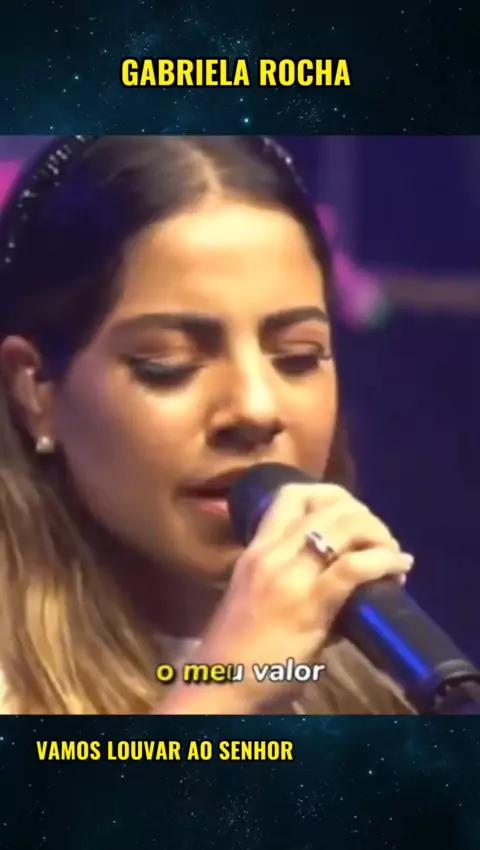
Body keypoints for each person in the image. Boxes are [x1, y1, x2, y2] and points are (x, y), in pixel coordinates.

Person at [0, 135, 415, 715]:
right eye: (168, 364)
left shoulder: (368, 681)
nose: (255, 409)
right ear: (35, 389)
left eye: (297, 356)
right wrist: (227, 690)